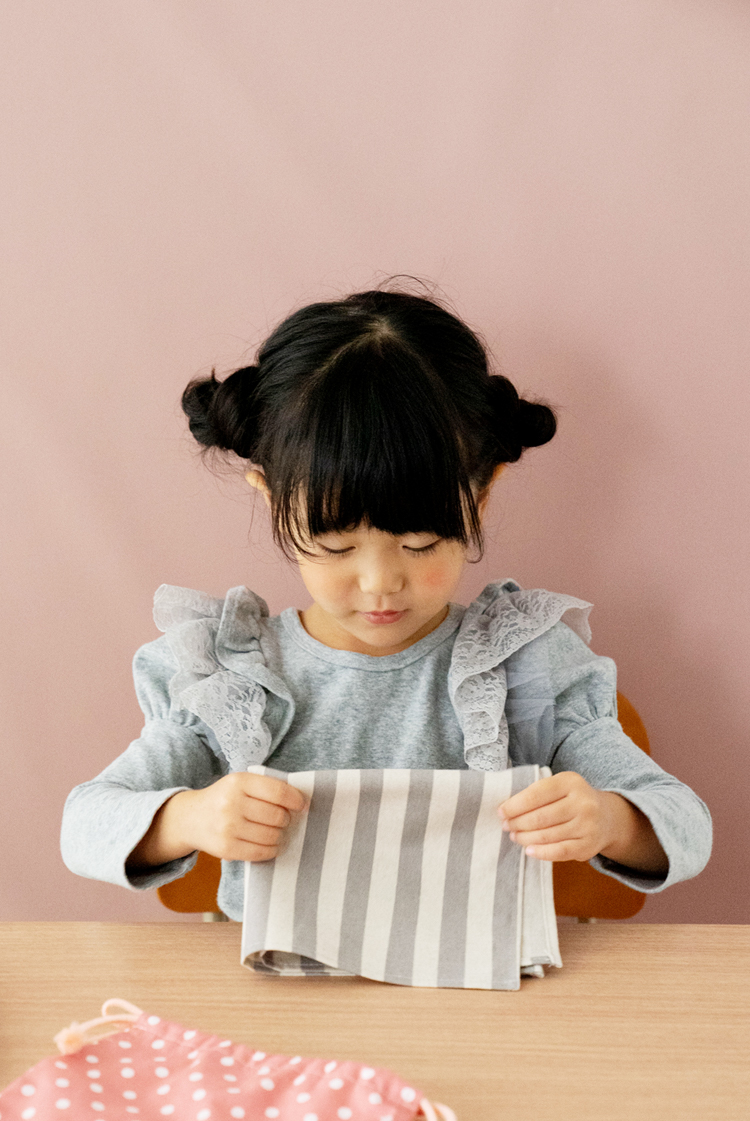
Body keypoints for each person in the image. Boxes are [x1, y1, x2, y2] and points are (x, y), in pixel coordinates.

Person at [61, 287, 711, 921]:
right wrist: (187, 818)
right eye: (335, 545)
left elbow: (687, 824)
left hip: (476, 981)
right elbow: (84, 823)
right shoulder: (230, 676)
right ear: (271, 497)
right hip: (274, 982)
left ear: (480, 496)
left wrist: (609, 820)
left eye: (419, 543)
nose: (379, 583)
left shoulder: (523, 667)